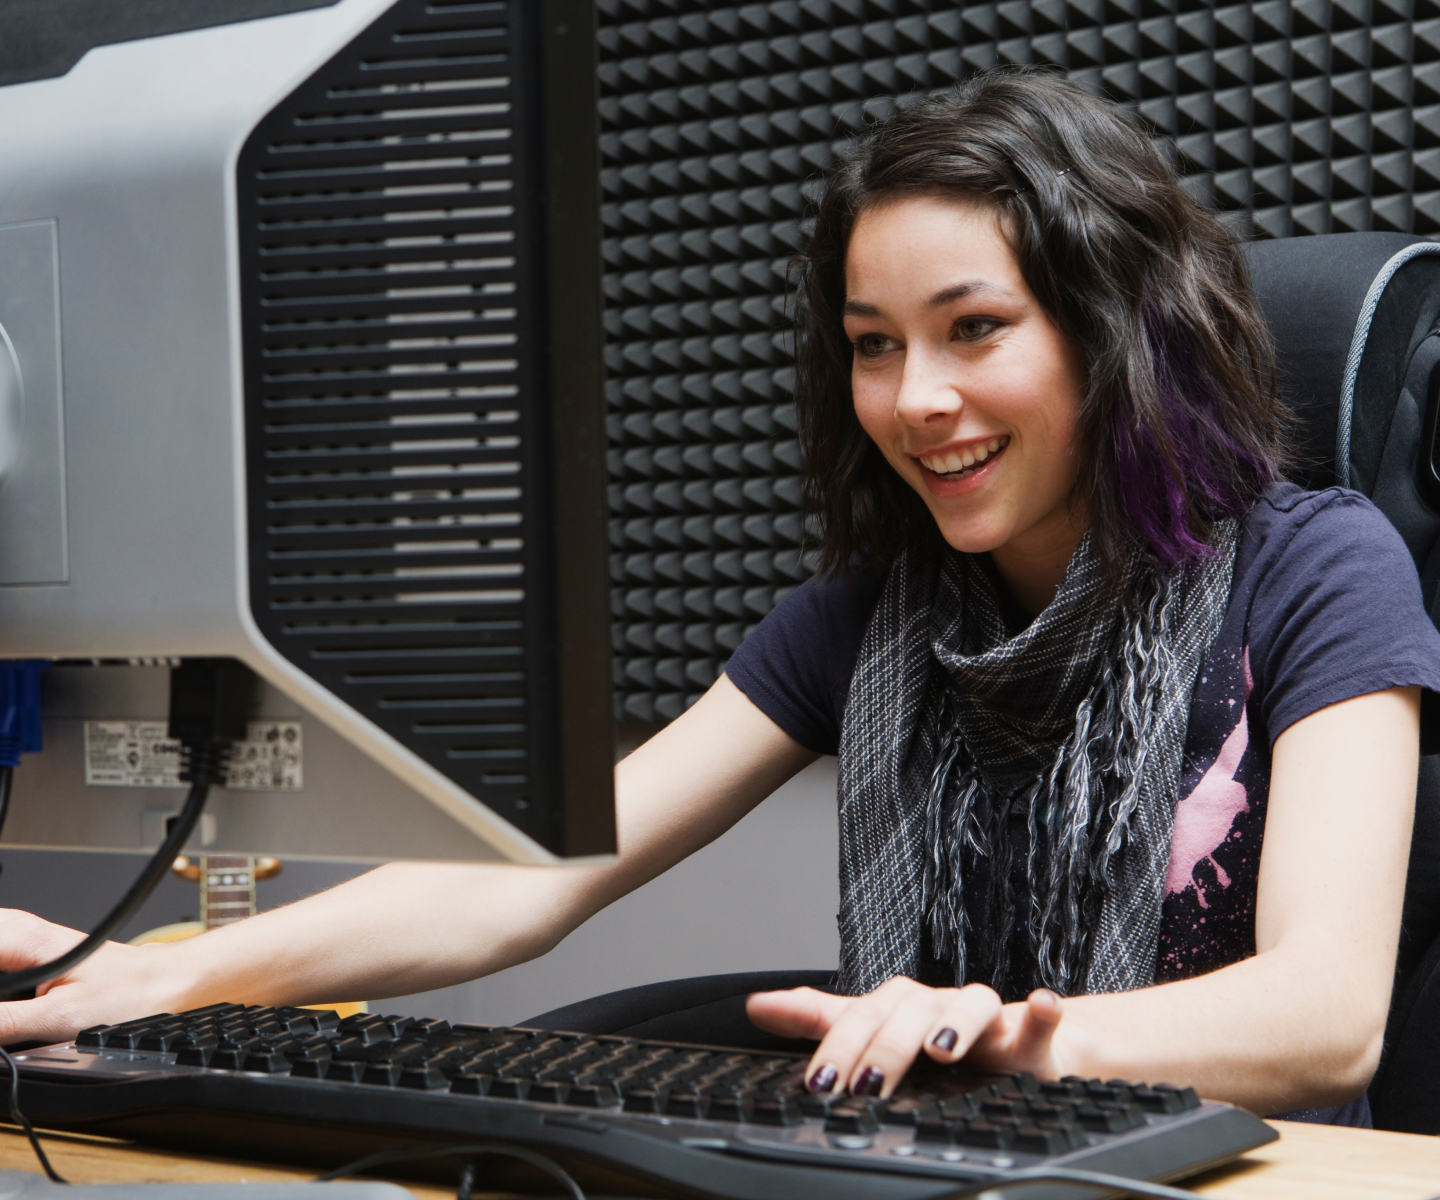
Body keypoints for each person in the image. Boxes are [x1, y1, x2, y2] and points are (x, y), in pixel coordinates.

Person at [1, 70, 1437, 1127]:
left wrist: (1012, 1034)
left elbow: (1326, 1019)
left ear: (1122, 333)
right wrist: (162, 977)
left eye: (975, 330)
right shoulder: (868, 621)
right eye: (873, 345)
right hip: (962, 1159)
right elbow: (534, 877)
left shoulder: (1317, 569)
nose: (915, 399)